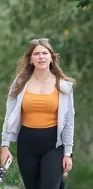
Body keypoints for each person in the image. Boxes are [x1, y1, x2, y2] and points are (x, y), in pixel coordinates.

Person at [1, 38, 75, 189]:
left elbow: (68, 122)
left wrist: (68, 153)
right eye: (36, 54)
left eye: (45, 53)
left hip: (54, 145)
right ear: (30, 60)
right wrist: (4, 145)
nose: (41, 56)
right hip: (26, 144)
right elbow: (10, 116)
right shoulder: (20, 83)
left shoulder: (64, 86)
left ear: (52, 58)